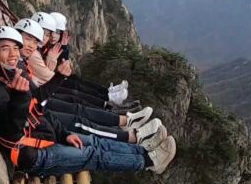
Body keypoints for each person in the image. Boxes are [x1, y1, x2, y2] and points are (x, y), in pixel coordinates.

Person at [0, 26, 177, 176]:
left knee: (92, 141)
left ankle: (141, 150)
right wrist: (19, 97)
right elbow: (11, 132)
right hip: (32, 155)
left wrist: (64, 133)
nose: (13, 54)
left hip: (45, 135)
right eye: (5, 49)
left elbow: (41, 110)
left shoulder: (14, 75)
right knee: (93, 155)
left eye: (15, 48)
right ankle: (149, 162)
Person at [12, 18, 163, 143]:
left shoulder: (27, 58)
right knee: (79, 114)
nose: (47, 38)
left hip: (40, 103)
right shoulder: (29, 58)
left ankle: (122, 117)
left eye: (47, 35)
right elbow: (46, 79)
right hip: (39, 109)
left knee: (77, 99)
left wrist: (62, 50)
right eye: (28, 39)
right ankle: (130, 133)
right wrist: (54, 62)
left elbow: (38, 90)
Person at [28, 12, 129, 106]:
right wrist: (53, 60)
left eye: (57, 32)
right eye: (51, 32)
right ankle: (108, 98)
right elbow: (49, 74)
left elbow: (62, 64)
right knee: (75, 89)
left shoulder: (46, 48)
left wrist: (64, 49)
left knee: (76, 81)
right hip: (46, 87)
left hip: (49, 83)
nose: (53, 36)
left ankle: (108, 93)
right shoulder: (37, 51)